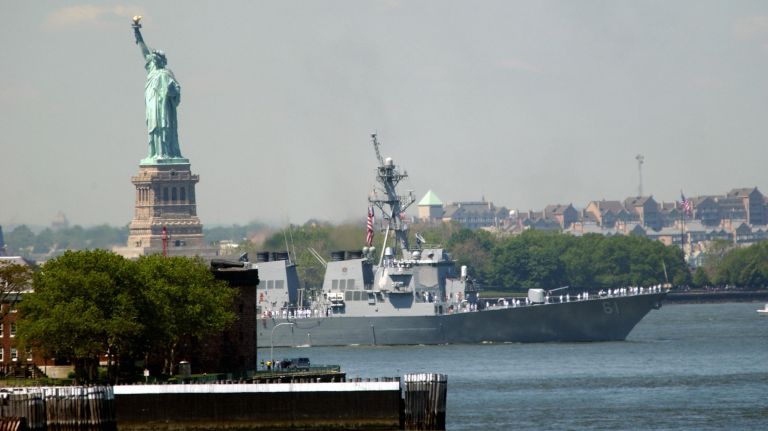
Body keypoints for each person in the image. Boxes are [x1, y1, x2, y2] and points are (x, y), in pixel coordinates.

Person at [134, 22, 183, 160]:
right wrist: (138, 34)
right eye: (153, 59)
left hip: (164, 106)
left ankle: (166, 153)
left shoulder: (167, 73)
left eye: (156, 59)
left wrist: (172, 91)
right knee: (153, 127)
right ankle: (154, 153)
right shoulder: (152, 70)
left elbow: (177, 90)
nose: (154, 60)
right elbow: (144, 52)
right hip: (152, 103)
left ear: (162, 60)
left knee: (164, 128)